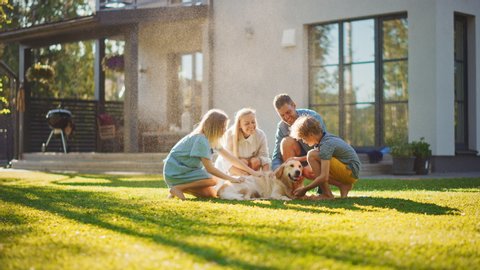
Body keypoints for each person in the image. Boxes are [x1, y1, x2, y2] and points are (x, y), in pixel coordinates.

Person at [163, 109, 262, 200]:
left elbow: (231, 158)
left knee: (211, 194)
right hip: (175, 172)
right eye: (223, 127)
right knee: (213, 180)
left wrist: (252, 172)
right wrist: (232, 179)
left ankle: (175, 190)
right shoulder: (201, 139)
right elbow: (210, 169)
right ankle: (178, 187)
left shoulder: (211, 139)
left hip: (186, 171)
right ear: (215, 126)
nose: (224, 130)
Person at [290, 115, 361, 199]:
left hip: (350, 170)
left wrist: (305, 189)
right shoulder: (325, 138)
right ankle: (343, 185)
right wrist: (299, 159)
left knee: (312, 155)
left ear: (311, 134)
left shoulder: (326, 144)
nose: (304, 141)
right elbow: (321, 155)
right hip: (350, 170)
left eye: (303, 138)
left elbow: (324, 177)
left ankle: (327, 194)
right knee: (313, 161)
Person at [271, 93, 327, 179]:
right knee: (286, 142)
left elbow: (324, 148)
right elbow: (277, 156)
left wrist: (302, 160)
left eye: (288, 112)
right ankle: (291, 187)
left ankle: (322, 188)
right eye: (282, 115)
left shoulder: (313, 118)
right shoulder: (282, 127)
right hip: (298, 163)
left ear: (294, 105)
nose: (286, 117)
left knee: (308, 171)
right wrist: (277, 171)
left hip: (317, 158)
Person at [215, 108, 271, 175]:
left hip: (251, 167)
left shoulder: (260, 135)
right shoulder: (231, 135)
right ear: (239, 125)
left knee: (255, 161)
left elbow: (265, 157)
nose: (251, 126)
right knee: (243, 162)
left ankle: (252, 178)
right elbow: (226, 161)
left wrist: (266, 178)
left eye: (253, 122)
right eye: (246, 123)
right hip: (231, 168)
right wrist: (243, 174)